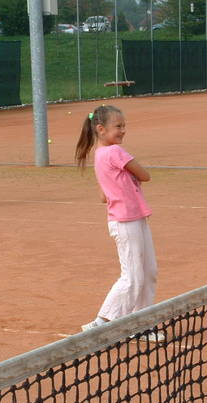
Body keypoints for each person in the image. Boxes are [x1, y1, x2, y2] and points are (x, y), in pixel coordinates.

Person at [75, 105, 164, 342]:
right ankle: (101, 322)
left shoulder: (100, 155)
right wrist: (132, 177)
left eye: (124, 126)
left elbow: (103, 195)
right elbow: (146, 174)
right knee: (133, 277)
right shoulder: (114, 152)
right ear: (101, 129)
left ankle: (142, 324)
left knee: (148, 272)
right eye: (118, 126)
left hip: (135, 218)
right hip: (125, 222)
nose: (123, 131)